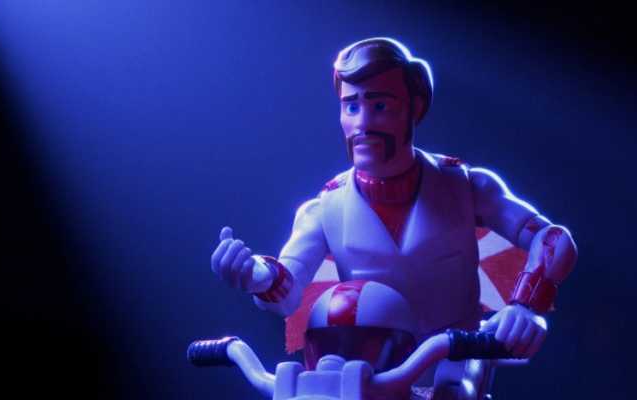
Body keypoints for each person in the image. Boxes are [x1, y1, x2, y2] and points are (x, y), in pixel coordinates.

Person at [210, 37, 577, 398]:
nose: (363, 123)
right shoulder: (325, 207)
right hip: (365, 373)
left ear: (415, 107)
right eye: (351, 106)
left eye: (380, 105)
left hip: (454, 360)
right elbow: (287, 289)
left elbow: (553, 238)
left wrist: (525, 305)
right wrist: (255, 274)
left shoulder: (464, 186)